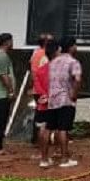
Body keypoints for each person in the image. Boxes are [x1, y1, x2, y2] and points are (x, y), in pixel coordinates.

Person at [45, 37, 83, 168]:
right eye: (75, 45)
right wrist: (74, 94)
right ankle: (64, 159)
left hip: (52, 100)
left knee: (49, 128)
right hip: (65, 99)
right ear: (71, 47)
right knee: (63, 129)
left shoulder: (53, 62)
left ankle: (45, 159)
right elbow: (77, 79)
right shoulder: (73, 62)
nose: (76, 48)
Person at [34, 40, 59, 168]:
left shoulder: (40, 70)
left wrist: (44, 96)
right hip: (54, 104)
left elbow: (37, 88)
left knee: (42, 129)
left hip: (43, 103)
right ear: (56, 52)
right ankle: (57, 153)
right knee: (57, 129)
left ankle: (43, 157)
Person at [29, 32, 54, 145]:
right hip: (44, 89)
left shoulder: (35, 53)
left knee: (39, 114)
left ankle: (36, 139)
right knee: (46, 116)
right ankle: (43, 140)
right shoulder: (45, 55)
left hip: (37, 88)